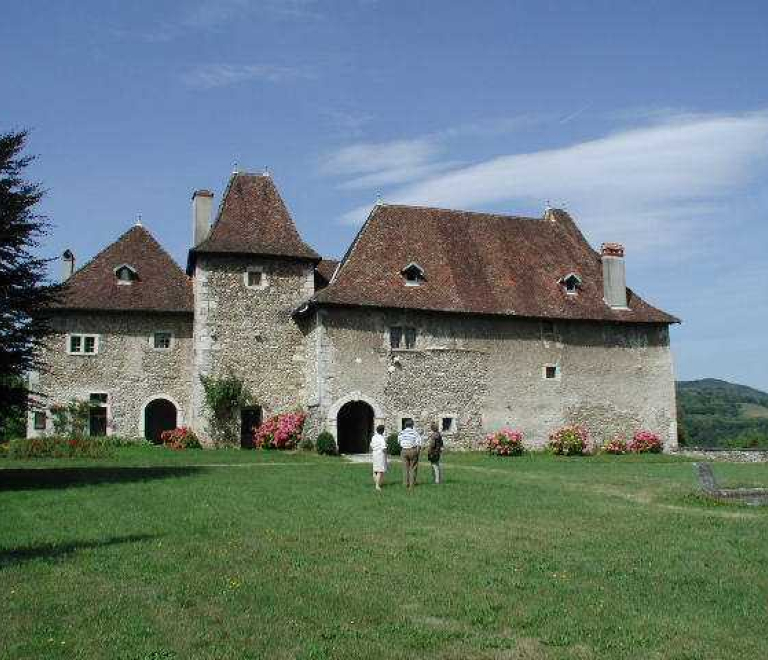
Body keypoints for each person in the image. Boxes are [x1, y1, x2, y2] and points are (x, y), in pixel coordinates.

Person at [398, 420, 422, 489]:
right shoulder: (415, 433)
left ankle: (405, 484)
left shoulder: (401, 433)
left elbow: (399, 442)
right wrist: (417, 452)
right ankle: (412, 485)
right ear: (412, 425)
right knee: (413, 467)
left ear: (405, 426)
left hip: (404, 450)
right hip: (412, 449)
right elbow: (419, 443)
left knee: (405, 468)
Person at [370, 424, 387, 491]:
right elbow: (383, 448)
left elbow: (371, 445)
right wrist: (386, 452)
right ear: (383, 431)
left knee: (375, 469)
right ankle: (377, 485)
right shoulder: (381, 438)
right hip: (380, 454)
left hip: (374, 453)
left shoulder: (374, 437)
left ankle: (377, 483)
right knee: (380, 470)